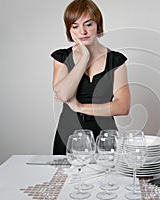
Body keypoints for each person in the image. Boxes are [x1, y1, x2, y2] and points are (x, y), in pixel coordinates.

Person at [51, 0, 130, 155]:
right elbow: (63, 93)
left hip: (105, 136)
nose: (83, 32)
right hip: (69, 134)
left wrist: (79, 107)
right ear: (69, 29)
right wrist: (84, 57)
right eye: (75, 26)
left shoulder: (116, 60)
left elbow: (123, 107)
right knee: (68, 178)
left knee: (108, 178)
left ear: (97, 24)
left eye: (88, 24)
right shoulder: (62, 57)